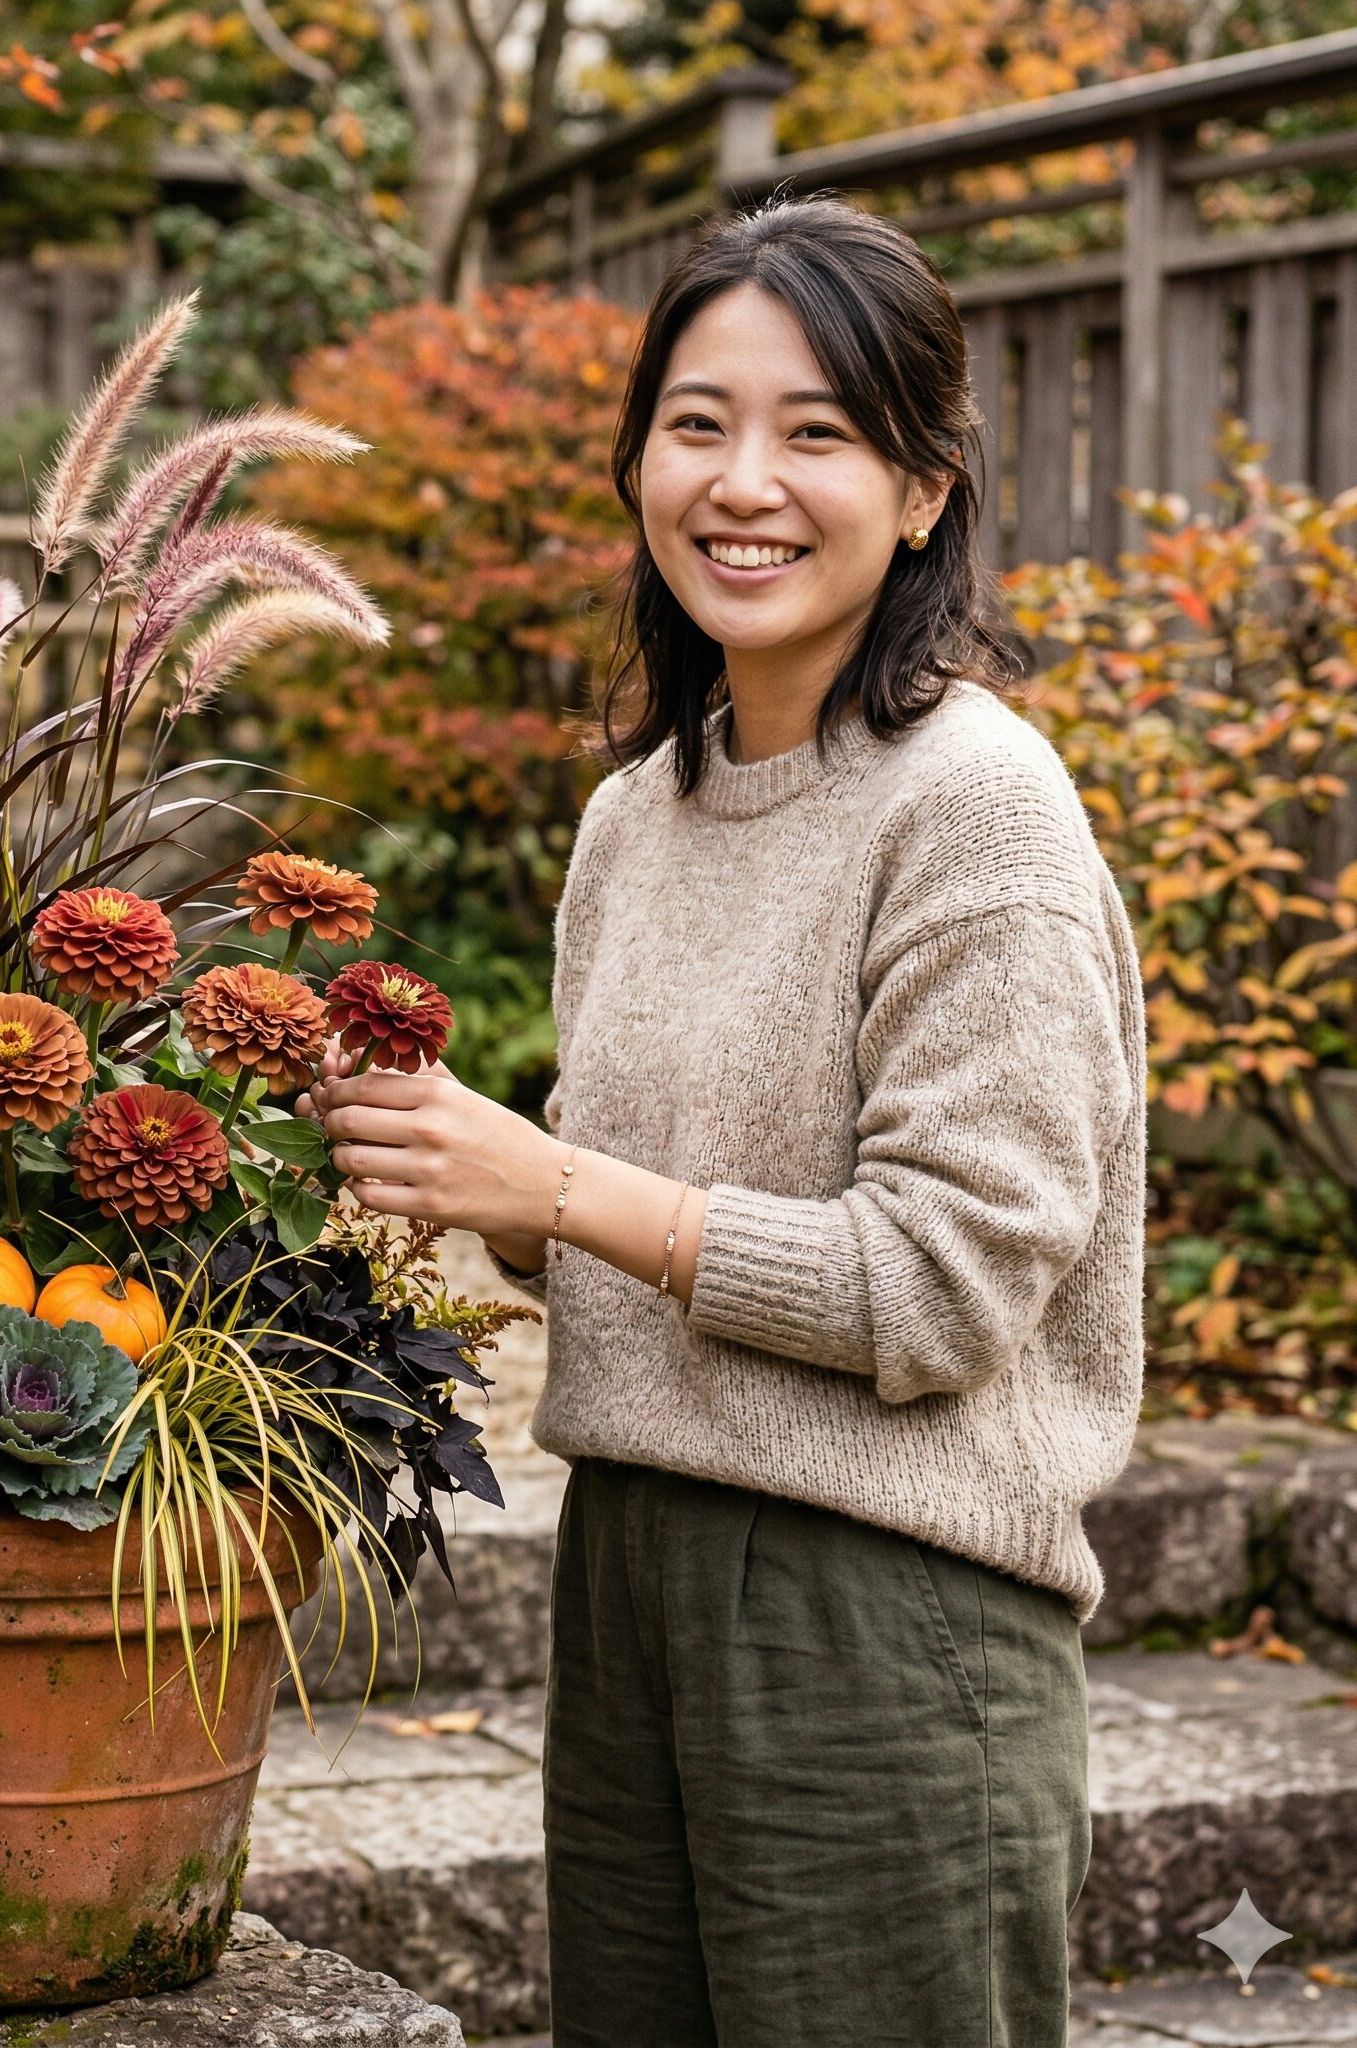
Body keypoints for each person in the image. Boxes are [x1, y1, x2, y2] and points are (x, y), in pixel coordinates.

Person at [294, 193, 1148, 2046]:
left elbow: (938, 1287)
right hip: (634, 1577)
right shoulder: (641, 815)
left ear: (925, 488)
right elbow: (635, 1195)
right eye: (698, 423)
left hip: (886, 1615)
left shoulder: (977, 807)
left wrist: (566, 1186)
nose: (742, 481)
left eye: (816, 431)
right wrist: (456, 1159)